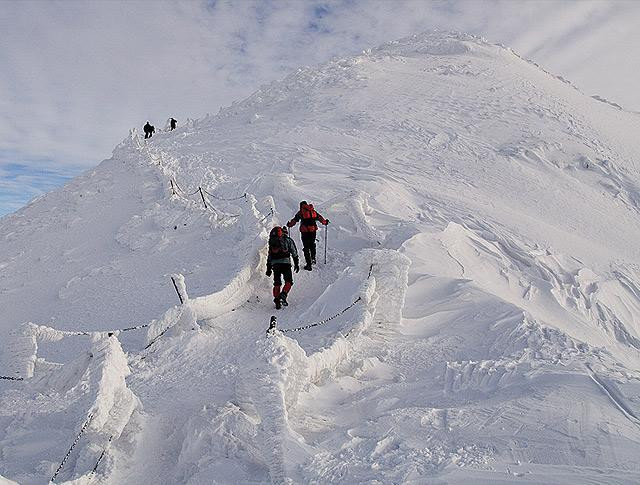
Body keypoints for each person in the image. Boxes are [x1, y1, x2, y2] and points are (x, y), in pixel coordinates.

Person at [287, 200, 329, 271]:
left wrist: (289, 225)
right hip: (313, 230)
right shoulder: (312, 211)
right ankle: (313, 259)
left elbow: (295, 220)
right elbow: (319, 217)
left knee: (306, 247)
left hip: (305, 231)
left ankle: (308, 265)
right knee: (312, 244)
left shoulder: (301, 212)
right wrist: (325, 222)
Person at [266, 225, 299, 309]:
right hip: (286, 263)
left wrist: (269, 269)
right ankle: (283, 295)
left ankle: (277, 301)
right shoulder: (288, 240)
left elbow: (269, 255)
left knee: (277, 283)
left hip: (275, 264)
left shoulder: (272, 241)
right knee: (289, 281)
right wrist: (296, 263)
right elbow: (294, 252)